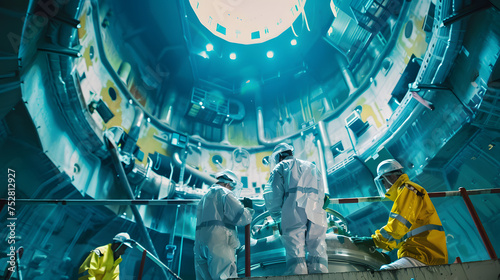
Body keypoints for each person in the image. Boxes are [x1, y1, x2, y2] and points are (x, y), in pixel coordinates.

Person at [351, 159, 448, 270]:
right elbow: (401, 234)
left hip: (423, 253)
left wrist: (374, 240)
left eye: (383, 180)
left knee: (386, 272)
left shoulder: (408, 190)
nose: (384, 184)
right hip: (423, 251)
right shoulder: (409, 190)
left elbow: (398, 225)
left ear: (391, 177)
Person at [263, 143, 329, 275]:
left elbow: (272, 196)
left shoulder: (281, 167)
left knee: (295, 246)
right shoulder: (312, 166)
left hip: (294, 209)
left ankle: (298, 274)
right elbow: (321, 192)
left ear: (279, 156)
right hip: (316, 209)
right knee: (317, 244)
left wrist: (277, 217)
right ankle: (321, 273)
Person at [194, 169, 254, 280]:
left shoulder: (204, 197)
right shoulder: (224, 192)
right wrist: (249, 210)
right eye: (231, 187)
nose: (231, 190)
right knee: (224, 275)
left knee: (204, 276)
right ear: (227, 184)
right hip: (219, 243)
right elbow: (241, 217)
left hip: (200, 244)